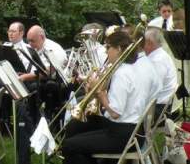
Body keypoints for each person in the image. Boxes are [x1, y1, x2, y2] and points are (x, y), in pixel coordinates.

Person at [62, 31, 161, 164]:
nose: (106, 52)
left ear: (119, 49)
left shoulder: (122, 73)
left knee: (69, 146)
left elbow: (115, 112)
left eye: (108, 47)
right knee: (76, 129)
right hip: (132, 131)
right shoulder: (131, 68)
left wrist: (100, 93)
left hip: (122, 134)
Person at [144, 27, 177, 115]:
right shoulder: (157, 55)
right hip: (157, 104)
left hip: (159, 108)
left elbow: (153, 88)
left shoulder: (158, 60)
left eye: (143, 42)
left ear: (149, 43)